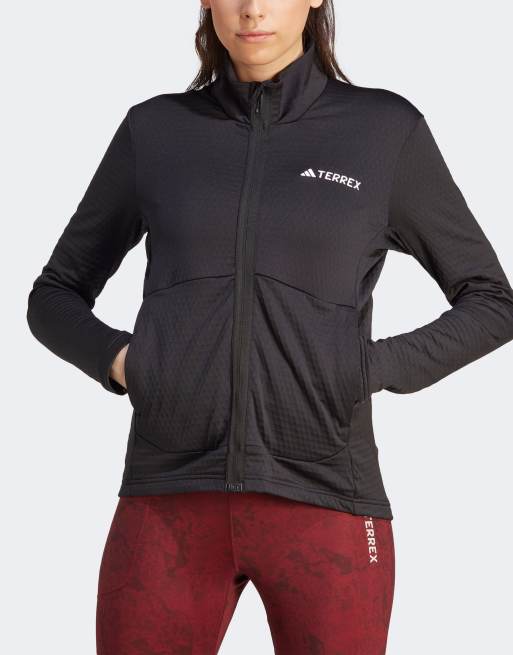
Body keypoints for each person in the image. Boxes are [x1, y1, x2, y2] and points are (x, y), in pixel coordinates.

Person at [26, 1, 513, 654]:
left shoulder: (382, 131)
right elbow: (54, 296)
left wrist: (361, 369)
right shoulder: (156, 131)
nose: (252, 8)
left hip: (329, 501)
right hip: (167, 499)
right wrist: (127, 362)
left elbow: (491, 301)